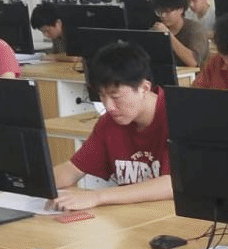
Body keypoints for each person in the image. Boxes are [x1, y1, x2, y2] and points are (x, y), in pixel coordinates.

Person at [51, 41, 171, 210]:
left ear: (144, 88)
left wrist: (97, 196)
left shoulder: (176, 117)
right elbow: (71, 170)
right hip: (134, 216)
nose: (109, 107)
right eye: (102, 96)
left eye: (115, 96)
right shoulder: (110, 123)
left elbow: (172, 184)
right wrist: (27, 185)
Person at [152, 0, 208, 68]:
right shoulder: (157, 29)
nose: (163, 15)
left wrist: (168, 35)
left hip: (193, 74)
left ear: (181, 9)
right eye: (160, 12)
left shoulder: (195, 29)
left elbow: (193, 62)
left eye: (167, 11)